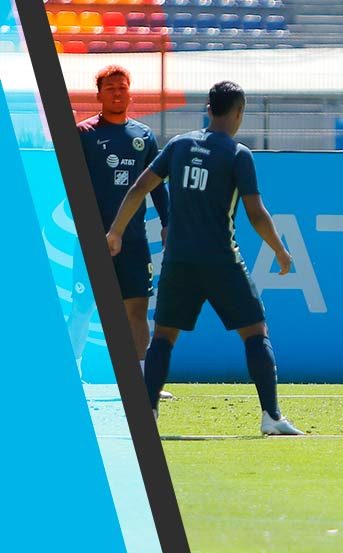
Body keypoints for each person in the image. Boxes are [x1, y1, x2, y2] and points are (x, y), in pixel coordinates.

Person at [106, 81, 302, 435]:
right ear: (239, 112)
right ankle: (271, 418)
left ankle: (146, 415)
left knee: (164, 336)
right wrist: (280, 250)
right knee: (255, 332)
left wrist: (116, 231)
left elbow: (139, 188)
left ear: (209, 109)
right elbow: (256, 212)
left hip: (179, 260)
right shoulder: (238, 153)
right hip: (222, 260)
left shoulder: (179, 145)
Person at [70, 65, 173, 399]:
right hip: (92, 237)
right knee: (83, 306)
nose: (117, 93)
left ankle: (141, 380)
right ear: (99, 94)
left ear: (131, 93)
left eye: (122, 87)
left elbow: (156, 185)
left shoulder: (144, 137)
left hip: (133, 240)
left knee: (137, 309)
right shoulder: (83, 134)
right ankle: (75, 372)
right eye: (110, 88)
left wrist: (168, 222)